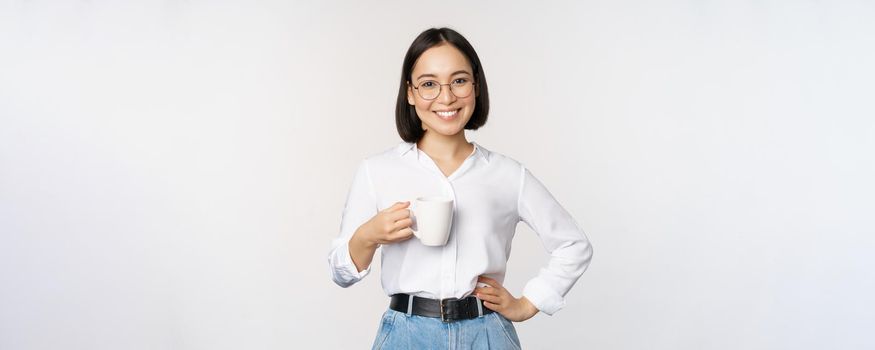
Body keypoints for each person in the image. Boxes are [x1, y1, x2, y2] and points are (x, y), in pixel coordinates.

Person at [328, 27, 593, 349]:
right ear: (409, 93)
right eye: (428, 84)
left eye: (459, 80)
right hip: (406, 336)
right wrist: (367, 235)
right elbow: (341, 273)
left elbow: (573, 244)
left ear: (475, 86)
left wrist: (528, 303)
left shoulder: (507, 174)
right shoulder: (378, 170)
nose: (446, 97)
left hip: (487, 334)